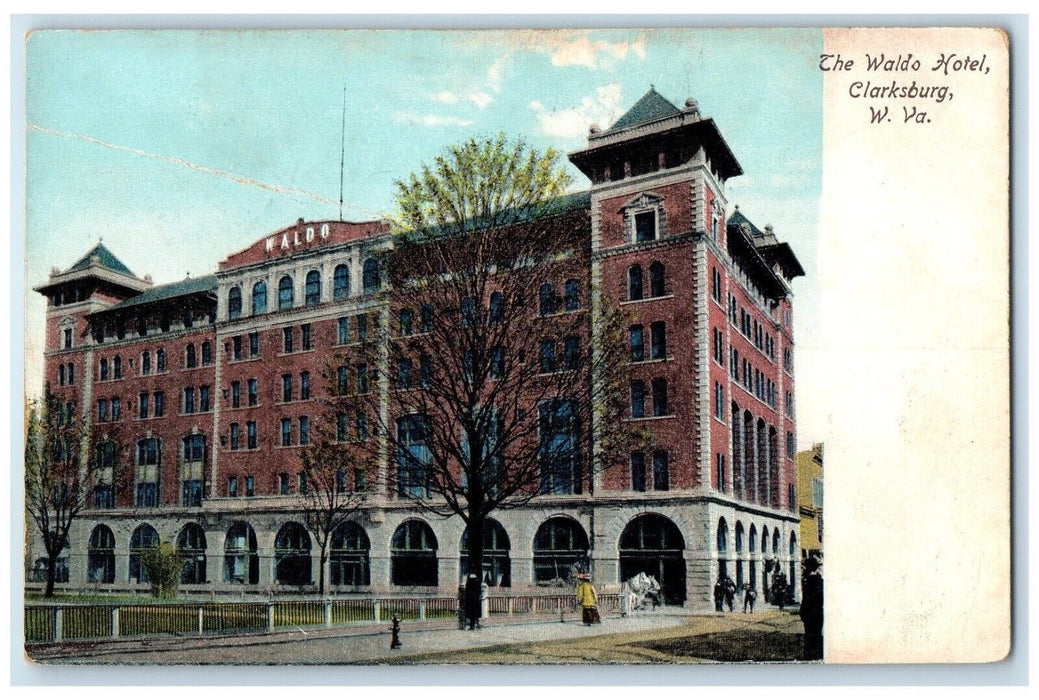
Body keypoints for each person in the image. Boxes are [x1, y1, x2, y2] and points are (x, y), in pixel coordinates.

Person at [799, 556, 824, 660]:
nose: (802, 569)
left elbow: (808, 600)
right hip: (816, 614)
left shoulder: (811, 581)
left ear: (809, 567)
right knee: (815, 636)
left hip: (812, 615)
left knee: (811, 637)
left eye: (804, 567)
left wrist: (803, 612)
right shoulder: (818, 580)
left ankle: (811, 658)